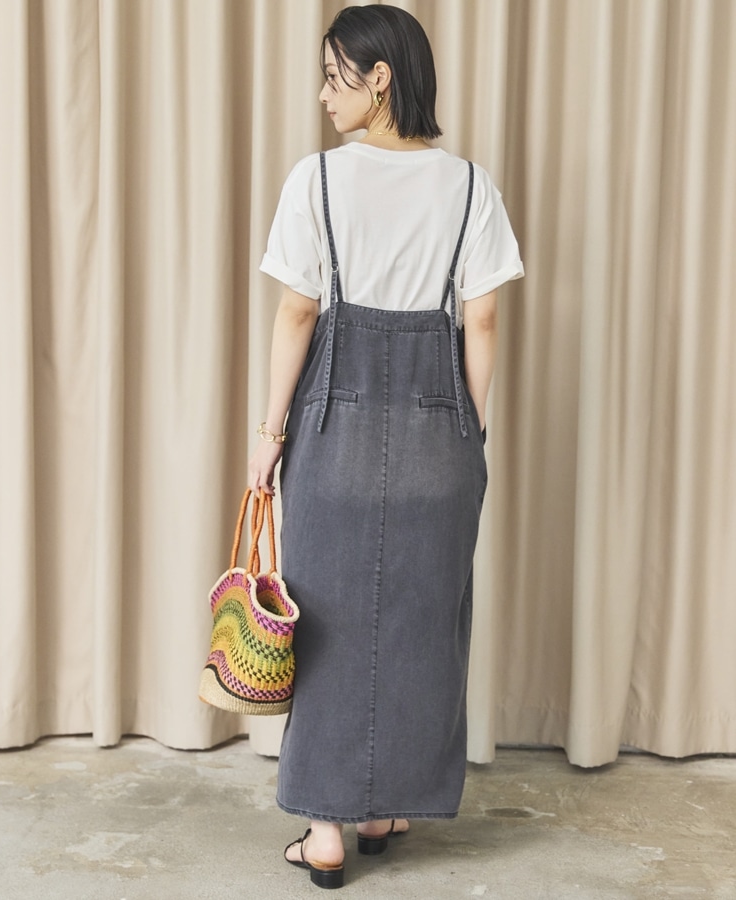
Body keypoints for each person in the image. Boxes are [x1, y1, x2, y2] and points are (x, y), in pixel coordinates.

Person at [248, 5, 523, 890]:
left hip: (335, 417)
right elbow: (482, 318)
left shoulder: (317, 181)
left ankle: (326, 830)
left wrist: (270, 433)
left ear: (380, 78)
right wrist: (470, 430)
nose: (324, 95)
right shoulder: (471, 186)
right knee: (420, 618)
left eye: (335, 77)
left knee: (325, 616)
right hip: (440, 423)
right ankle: (382, 810)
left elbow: (298, 311)